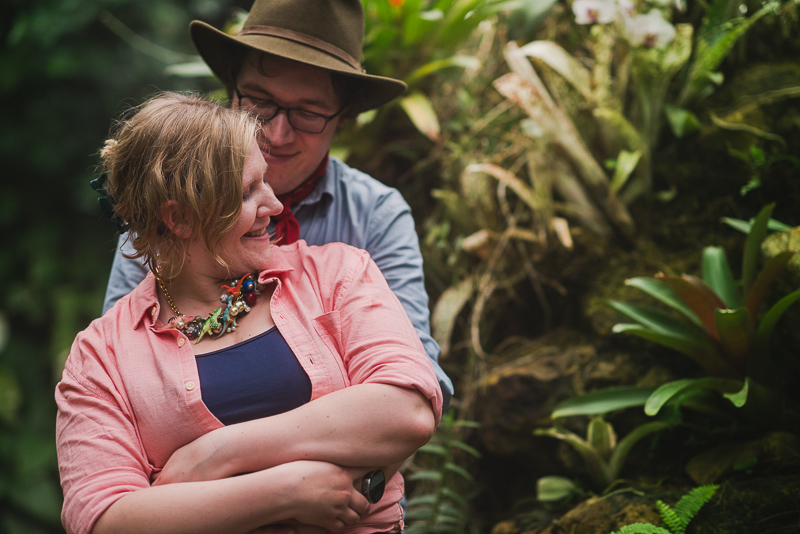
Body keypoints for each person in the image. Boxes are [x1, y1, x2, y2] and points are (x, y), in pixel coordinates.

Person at [56, 92, 443, 534]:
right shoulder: (100, 356)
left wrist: (216, 455)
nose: (275, 206)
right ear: (178, 217)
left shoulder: (337, 273)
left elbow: (407, 410)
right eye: (246, 193)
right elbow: (103, 520)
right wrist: (286, 489)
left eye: (266, 181)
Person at [101, 0, 454, 408]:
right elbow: (121, 378)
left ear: (344, 116)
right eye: (260, 101)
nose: (278, 133)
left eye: (308, 111)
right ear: (232, 90)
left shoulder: (374, 217)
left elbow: (417, 384)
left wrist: (226, 455)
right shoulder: (172, 204)